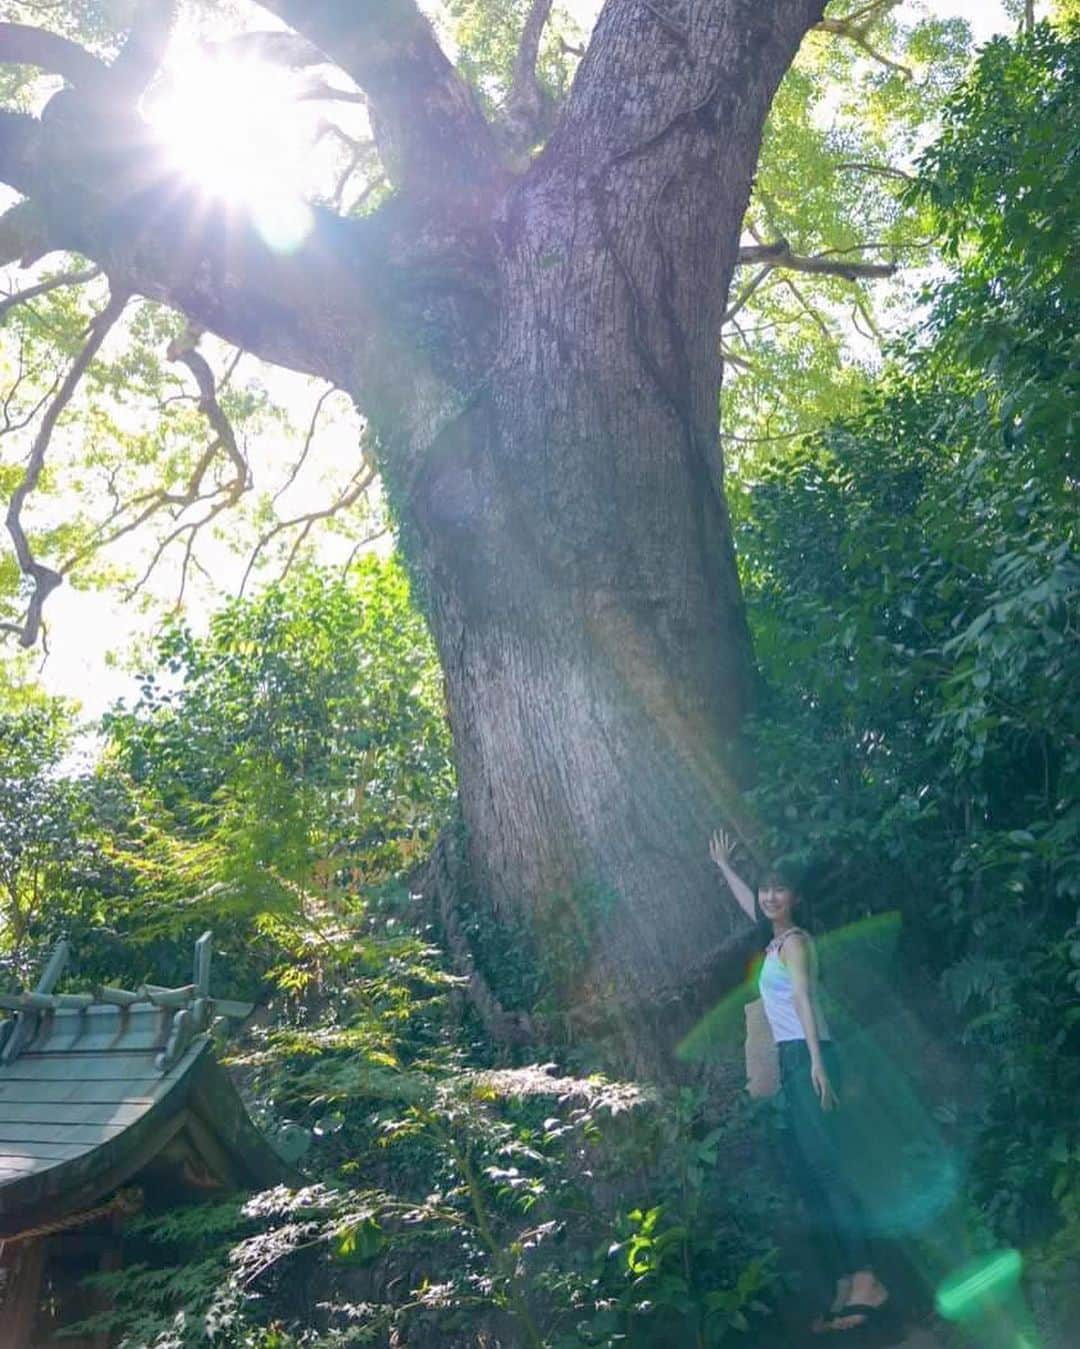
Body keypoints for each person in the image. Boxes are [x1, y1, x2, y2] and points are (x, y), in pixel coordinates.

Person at [709, 828, 891, 1336]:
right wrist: (725, 867)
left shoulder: (796, 944)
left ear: (796, 898)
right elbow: (749, 905)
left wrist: (814, 1062)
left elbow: (805, 1001)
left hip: (809, 1057)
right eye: (766, 888)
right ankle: (841, 1282)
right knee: (808, 1176)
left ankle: (867, 1279)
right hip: (790, 1062)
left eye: (779, 889)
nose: (769, 896)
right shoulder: (772, 943)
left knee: (828, 1171)